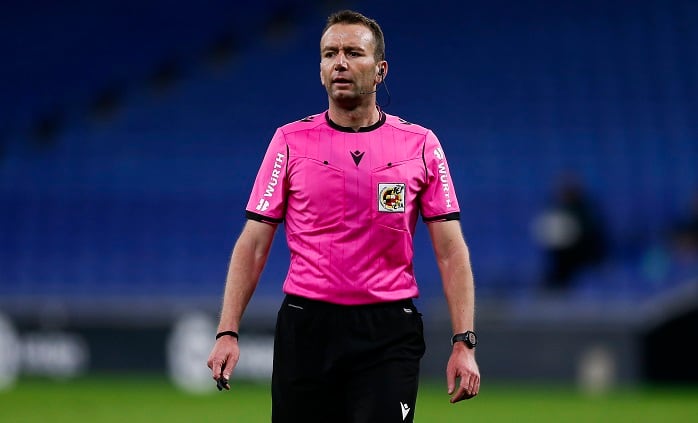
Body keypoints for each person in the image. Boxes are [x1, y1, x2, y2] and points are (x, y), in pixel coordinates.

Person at [207, 10, 480, 422]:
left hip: (388, 331)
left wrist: (464, 342)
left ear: (381, 69)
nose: (340, 62)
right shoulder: (288, 142)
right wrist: (227, 330)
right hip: (306, 327)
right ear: (319, 70)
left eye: (354, 52)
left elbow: (450, 251)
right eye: (330, 53)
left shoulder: (421, 145)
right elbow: (254, 242)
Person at [532, 174, 607, 292]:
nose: (565, 193)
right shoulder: (554, 210)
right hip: (563, 260)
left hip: (584, 257)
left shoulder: (587, 211)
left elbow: (596, 240)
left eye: (569, 189)